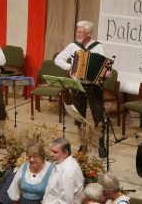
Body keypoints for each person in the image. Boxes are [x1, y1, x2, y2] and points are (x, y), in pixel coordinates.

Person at [54, 20, 110, 158]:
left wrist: (107, 72)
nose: (78, 34)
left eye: (81, 32)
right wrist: (71, 67)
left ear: (89, 34)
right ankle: (83, 144)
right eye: (77, 31)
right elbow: (58, 59)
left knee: (98, 117)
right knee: (79, 117)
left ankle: (101, 144)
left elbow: (104, 67)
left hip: (93, 87)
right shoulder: (73, 46)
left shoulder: (98, 47)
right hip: (77, 86)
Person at [42, 138, 84, 204]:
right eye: (51, 151)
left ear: (65, 153)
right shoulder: (61, 163)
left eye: (55, 152)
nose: (51, 154)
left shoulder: (68, 171)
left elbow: (65, 201)